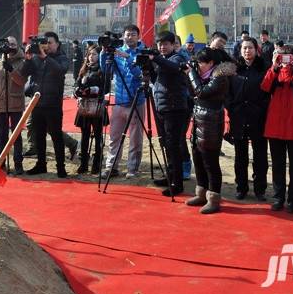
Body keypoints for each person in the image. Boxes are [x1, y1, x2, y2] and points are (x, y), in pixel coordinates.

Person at [184, 47, 235, 214]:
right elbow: (193, 92)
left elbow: (201, 92)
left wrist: (191, 74)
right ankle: (201, 193)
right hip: (198, 119)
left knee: (210, 161)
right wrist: (191, 75)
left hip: (211, 122)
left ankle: (214, 198)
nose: (198, 65)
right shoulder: (202, 75)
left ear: (211, 63)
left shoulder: (220, 78)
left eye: (201, 62)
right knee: (197, 157)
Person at [262, 44, 293, 213]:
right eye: (282, 56)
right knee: (277, 165)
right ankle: (278, 198)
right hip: (275, 127)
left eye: (289, 57)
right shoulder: (274, 73)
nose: (285, 60)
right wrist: (274, 68)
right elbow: (264, 87)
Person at [22, 31, 70, 177]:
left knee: (56, 137)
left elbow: (60, 71)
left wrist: (45, 57)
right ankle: (41, 164)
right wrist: (28, 59)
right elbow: (25, 72)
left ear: (57, 44)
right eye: (45, 43)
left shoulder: (62, 58)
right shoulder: (36, 58)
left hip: (53, 104)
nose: (47, 45)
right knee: (39, 136)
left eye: (50, 43)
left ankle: (60, 167)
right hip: (37, 103)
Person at [99, 25, 145, 179]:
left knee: (135, 139)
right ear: (123, 36)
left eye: (133, 34)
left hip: (136, 102)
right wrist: (104, 53)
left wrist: (127, 57)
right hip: (119, 101)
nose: (130, 37)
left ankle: (132, 169)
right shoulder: (116, 52)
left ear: (138, 36)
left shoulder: (143, 52)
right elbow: (106, 70)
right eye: (127, 35)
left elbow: (140, 74)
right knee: (114, 137)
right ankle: (111, 167)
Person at [226, 37, 269, 201]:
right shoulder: (233, 68)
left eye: (250, 48)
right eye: (244, 48)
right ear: (240, 50)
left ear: (256, 49)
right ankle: (241, 187)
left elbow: (268, 92)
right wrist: (231, 107)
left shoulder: (264, 67)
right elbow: (227, 91)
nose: (247, 51)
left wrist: (261, 108)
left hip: (258, 117)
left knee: (260, 155)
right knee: (240, 155)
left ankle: (260, 189)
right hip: (238, 116)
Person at [149, 32, 190, 197]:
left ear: (173, 45)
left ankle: (177, 183)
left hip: (175, 109)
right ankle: (170, 176)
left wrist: (155, 59)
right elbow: (156, 79)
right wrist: (148, 66)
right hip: (163, 108)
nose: (162, 47)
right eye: (159, 44)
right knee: (167, 144)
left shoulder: (177, 59)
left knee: (174, 146)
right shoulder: (162, 60)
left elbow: (172, 68)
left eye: (166, 44)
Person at [0, 36, 28, 174]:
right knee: (2, 135)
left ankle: (18, 163)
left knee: (16, 134)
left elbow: (22, 81)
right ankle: (0, 163)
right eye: (8, 44)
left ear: (17, 45)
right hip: (0, 102)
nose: (10, 46)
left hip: (16, 102)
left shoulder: (22, 62)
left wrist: (11, 70)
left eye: (13, 44)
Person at [74, 45, 108, 175]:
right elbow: (76, 84)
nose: (91, 57)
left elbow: (106, 87)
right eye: (89, 54)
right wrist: (77, 91)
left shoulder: (102, 70)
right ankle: (83, 163)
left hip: (97, 105)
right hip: (84, 106)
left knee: (98, 136)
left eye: (94, 54)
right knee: (85, 136)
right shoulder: (84, 69)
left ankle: (97, 163)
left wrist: (95, 90)